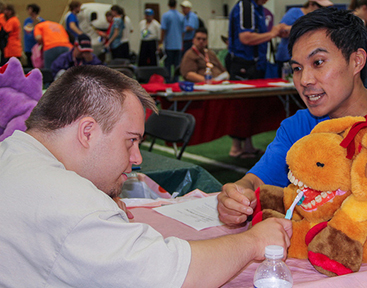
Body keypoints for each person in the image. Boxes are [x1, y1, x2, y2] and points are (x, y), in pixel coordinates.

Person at [0, 64, 292, 287]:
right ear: (87, 132)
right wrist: (254, 241)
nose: (137, 158)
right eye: (130, 141)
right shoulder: (70, 204)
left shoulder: (12, 153)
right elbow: (174, 274)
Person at [217, 7, 367, 238]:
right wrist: (237, 195)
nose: (305, 80)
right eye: (297, 68)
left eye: (318, 62)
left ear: (357, 61)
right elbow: (255, 181)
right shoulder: (298, 129)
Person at [228, 0, 287, 81]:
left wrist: (276, 33)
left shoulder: (259, 9)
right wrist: (271, 34)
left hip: (257, 65)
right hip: (245, 65)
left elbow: (257, 35)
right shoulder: (246, 6)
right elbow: (245, 37)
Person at [276, 0, 333, 68]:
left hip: (308, 58)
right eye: (320, 6)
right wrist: (303, 28)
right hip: (288, 57)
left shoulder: (320, 18)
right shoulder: (294, 12)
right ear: (311, 4)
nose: (322, 10)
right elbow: (281, 31)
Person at [160, 0, 184, 83]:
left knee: (168, 65)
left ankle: (168, 81)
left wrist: (161, 42)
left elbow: (163, 30)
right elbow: (183, 31)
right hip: (178, 45)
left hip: (169, 44)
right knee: (177, 65)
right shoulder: (181, 16)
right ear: (176, 5)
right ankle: (176, 81)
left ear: (168, 5)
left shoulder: (165, 16)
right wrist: (181, 41)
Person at [23, 3, 45, 68]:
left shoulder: (41, 21)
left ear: (33, 10)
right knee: (29, 64)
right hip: (28, 46)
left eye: (29, 9)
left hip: (37, 47)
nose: (28, 11)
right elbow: (26, 30)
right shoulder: (27, 20)